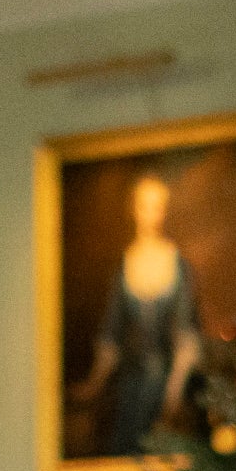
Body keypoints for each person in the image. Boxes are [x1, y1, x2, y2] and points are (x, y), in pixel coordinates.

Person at [71, 170, 203, 456]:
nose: (152, 214)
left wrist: (172, 398)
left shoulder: (178, 265)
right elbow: (111, 335)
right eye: (145, 205)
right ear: (134, 209)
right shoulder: (123, 266)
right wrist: (93, 385)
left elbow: (186, 338)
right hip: (130, 388)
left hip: (170, 384)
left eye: (158, 206)